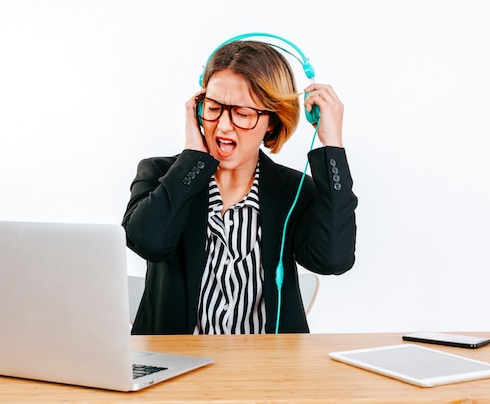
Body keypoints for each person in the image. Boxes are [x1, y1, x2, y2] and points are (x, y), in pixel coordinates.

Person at [122, 39, 357, 335]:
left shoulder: (294, 191)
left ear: (271, 120)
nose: (222, 126)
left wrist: (332, 145)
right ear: (196, 110)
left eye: (242, 114)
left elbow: (333, 260)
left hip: (266, 370)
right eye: (214, 108)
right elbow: (148, 242)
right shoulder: (160, 174)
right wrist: (193, 157)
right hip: (175, 366)